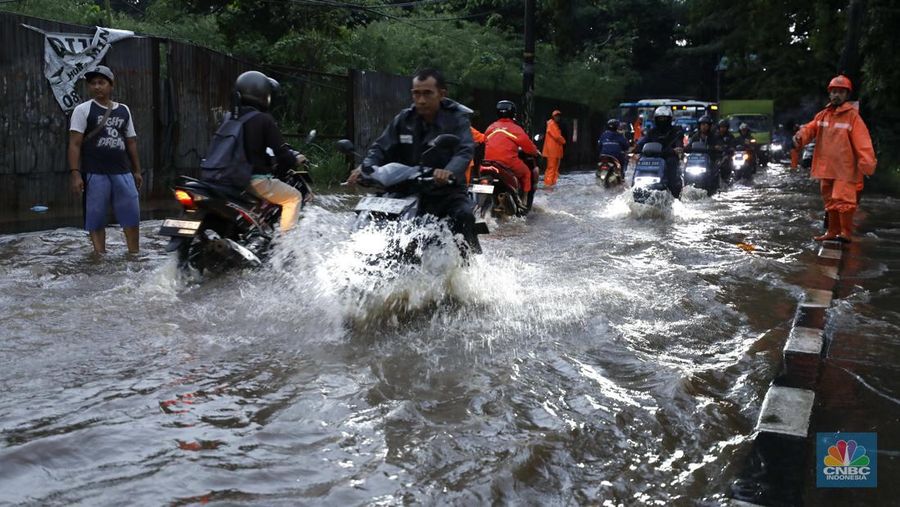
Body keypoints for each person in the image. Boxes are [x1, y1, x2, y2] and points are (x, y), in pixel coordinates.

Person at [346, 68, 479, 252]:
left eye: (427, 93)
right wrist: (365, 167)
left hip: (444, 190)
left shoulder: (456, 118)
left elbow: (464, 150)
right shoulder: (404, 118)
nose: (421, 100)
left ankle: (467, 265)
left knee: (463, 215)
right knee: (371, 214)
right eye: (416, 94)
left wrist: (448, 171)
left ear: (441, 94)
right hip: (406, 187)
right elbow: (380, 147)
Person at [68, 65, 142, 255]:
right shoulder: (82, 110)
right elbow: (75, 144)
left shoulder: (124, 110)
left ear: (111, 85)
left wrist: (137, 170)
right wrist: (75, 174)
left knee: (131, 216)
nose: (97, 87)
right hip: (95, 173)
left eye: (102, 82)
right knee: (96, 217)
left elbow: (131, 142)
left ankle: (134, 255)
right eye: (93, 83)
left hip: (123, 172)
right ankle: (99, 257)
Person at [794, 75, 876, 242]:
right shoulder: (823, 115)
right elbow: (810, 129)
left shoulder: (853, 117)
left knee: (844, 201)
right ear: (829, 94)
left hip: (845, 168)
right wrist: (800, 136)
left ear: (847, 95)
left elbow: (863, 141)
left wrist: (867, 163)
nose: (836, 95)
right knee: (830, 201)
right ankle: (832, 232)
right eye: (834, 92)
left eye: (840, 92)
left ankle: (845, 233)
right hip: (826, 167)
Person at [225, 70, 306, 233]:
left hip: (227, 178)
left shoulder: (230, 117)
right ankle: (285, 246)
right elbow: (282, 153)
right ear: (263, 94)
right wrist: (295, 159)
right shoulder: (263, 119)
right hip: (254, 180)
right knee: (293, 197)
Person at [483, 100, 540, 196]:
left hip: (488, 162)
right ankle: (524, 202)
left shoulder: (490, 128)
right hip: (508, 162)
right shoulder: (515, 129)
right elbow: (528, 148)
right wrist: (535, 152)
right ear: (513, 113)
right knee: (526, 173)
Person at [635, 105, 685, 197]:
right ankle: (634, 186)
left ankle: (673, 193)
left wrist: (677, 149)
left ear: (669, 119)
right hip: (652, 158)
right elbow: (642, 142)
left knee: (672, 162)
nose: (662, 121)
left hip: (669, 158)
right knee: (640, 161)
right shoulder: (652, 132)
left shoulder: (676, 131)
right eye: (660, 118)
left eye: (664, 118)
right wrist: (635, 149)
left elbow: (679, 144)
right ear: (656, 119)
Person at [542, 109, 566, 188]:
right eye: (556, 116)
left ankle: (551, 184)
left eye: (558, 116)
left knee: (554, 169)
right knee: (551, 168)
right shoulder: (551, 124)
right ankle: (548, 185)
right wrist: (563, 141)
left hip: (556, 151)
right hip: (552, 151)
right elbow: (556, 136)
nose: (558, 117)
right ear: (553, 117)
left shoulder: (554, 124)